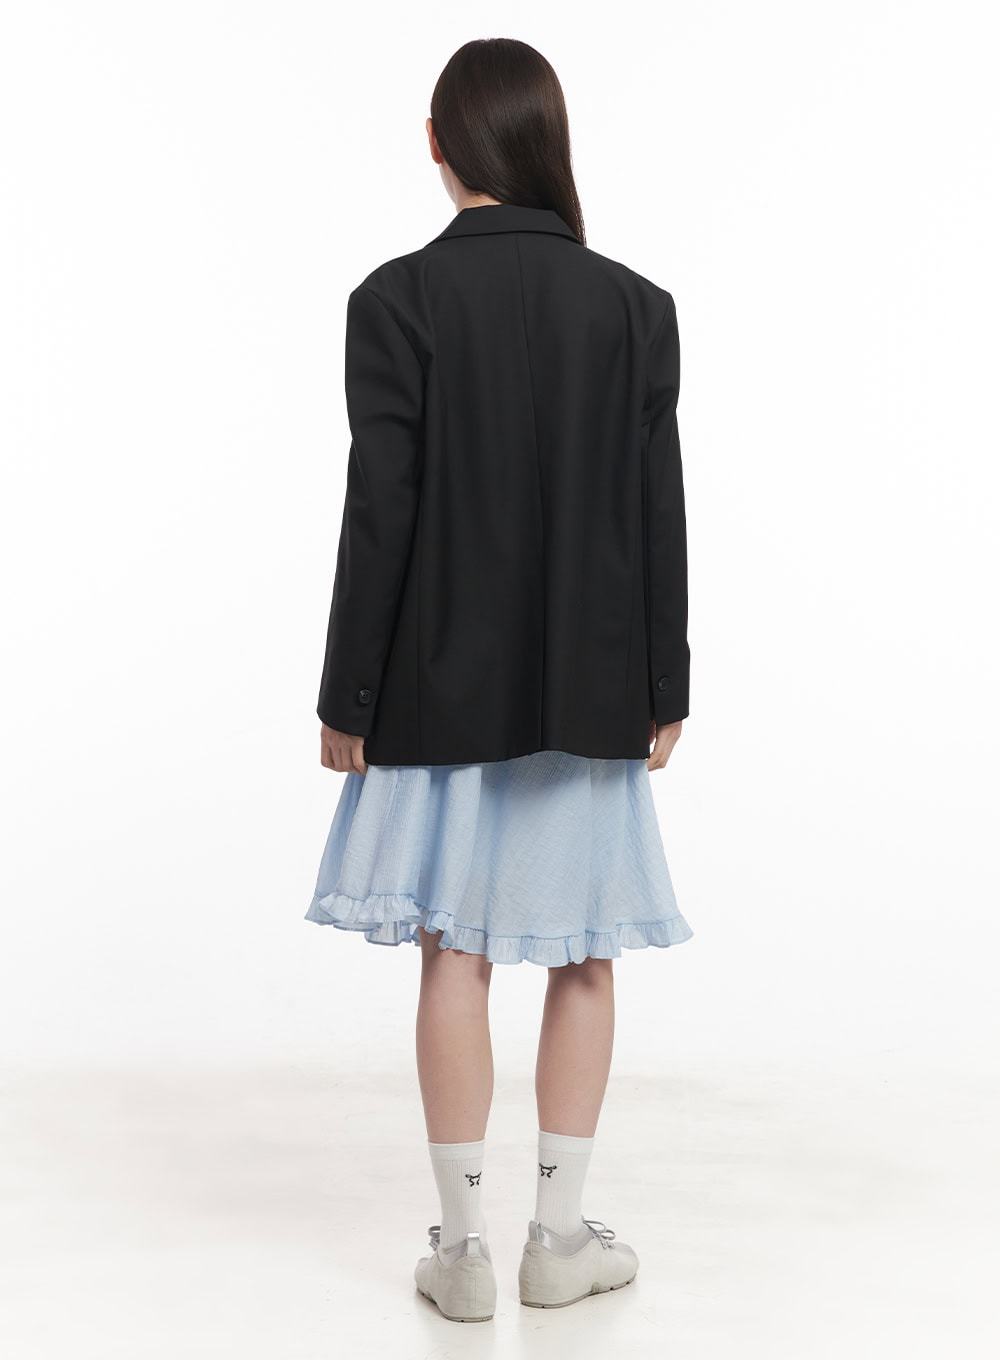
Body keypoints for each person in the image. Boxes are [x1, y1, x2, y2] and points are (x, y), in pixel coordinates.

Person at [306, 37, 693, 1322]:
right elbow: (657, 510)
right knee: (585, 959)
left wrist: (348, 697)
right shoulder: (634, 307)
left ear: (437, 142)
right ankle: (559, 1238)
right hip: (590, 689)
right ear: (546, 139)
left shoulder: (395, 300)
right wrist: (665, 680)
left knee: (453, 954)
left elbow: (381, 512)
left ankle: (463, 1252)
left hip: (438, 688)